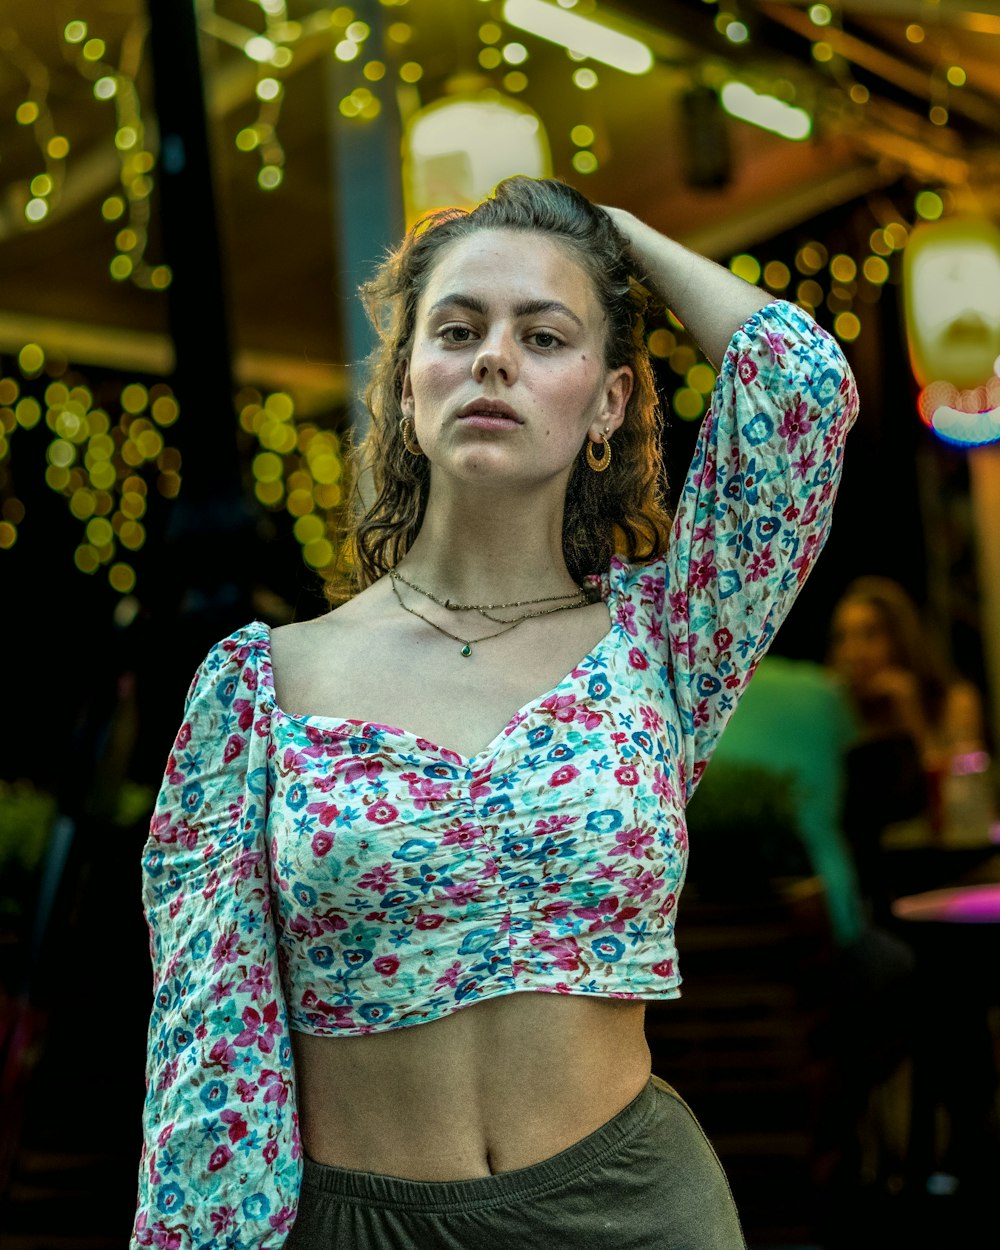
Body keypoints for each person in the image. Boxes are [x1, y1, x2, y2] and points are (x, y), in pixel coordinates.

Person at [131, 176, 858, 1249]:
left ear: (609, 401)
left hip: (634, 1209)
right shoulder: (262, 686)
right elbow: (211, 1045)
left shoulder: (661, 645)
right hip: (360, 1224)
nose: (493, 356)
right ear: (408, 385)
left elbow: (801, 389)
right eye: (458, 328)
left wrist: (608, 230)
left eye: (545, 333)